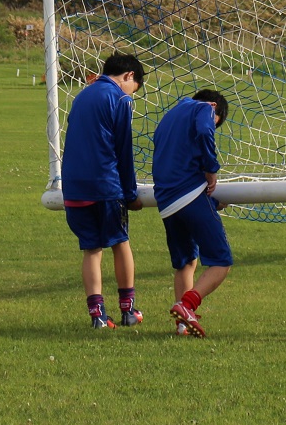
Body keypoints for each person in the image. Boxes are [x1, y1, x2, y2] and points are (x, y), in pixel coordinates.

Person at [61, 53, 146, 329]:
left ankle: (97, 316)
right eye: (135, 87)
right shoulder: (121, 99)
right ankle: (128, 310)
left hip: (73, 186)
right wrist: (130, 193)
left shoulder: (82, 96)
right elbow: (123, 150)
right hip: (105, 186)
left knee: (91, 250)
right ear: (129, 76)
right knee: (120, 242)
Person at [152, 89, 233, 338]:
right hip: (189, 196)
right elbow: (204, 131)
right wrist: (211, 169)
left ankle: (182, 324)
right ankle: (187, 305)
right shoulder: (205, 108)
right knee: (221, 261)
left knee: (186, 263)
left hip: (166, 202)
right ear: (215, 111)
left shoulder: (170, 115)